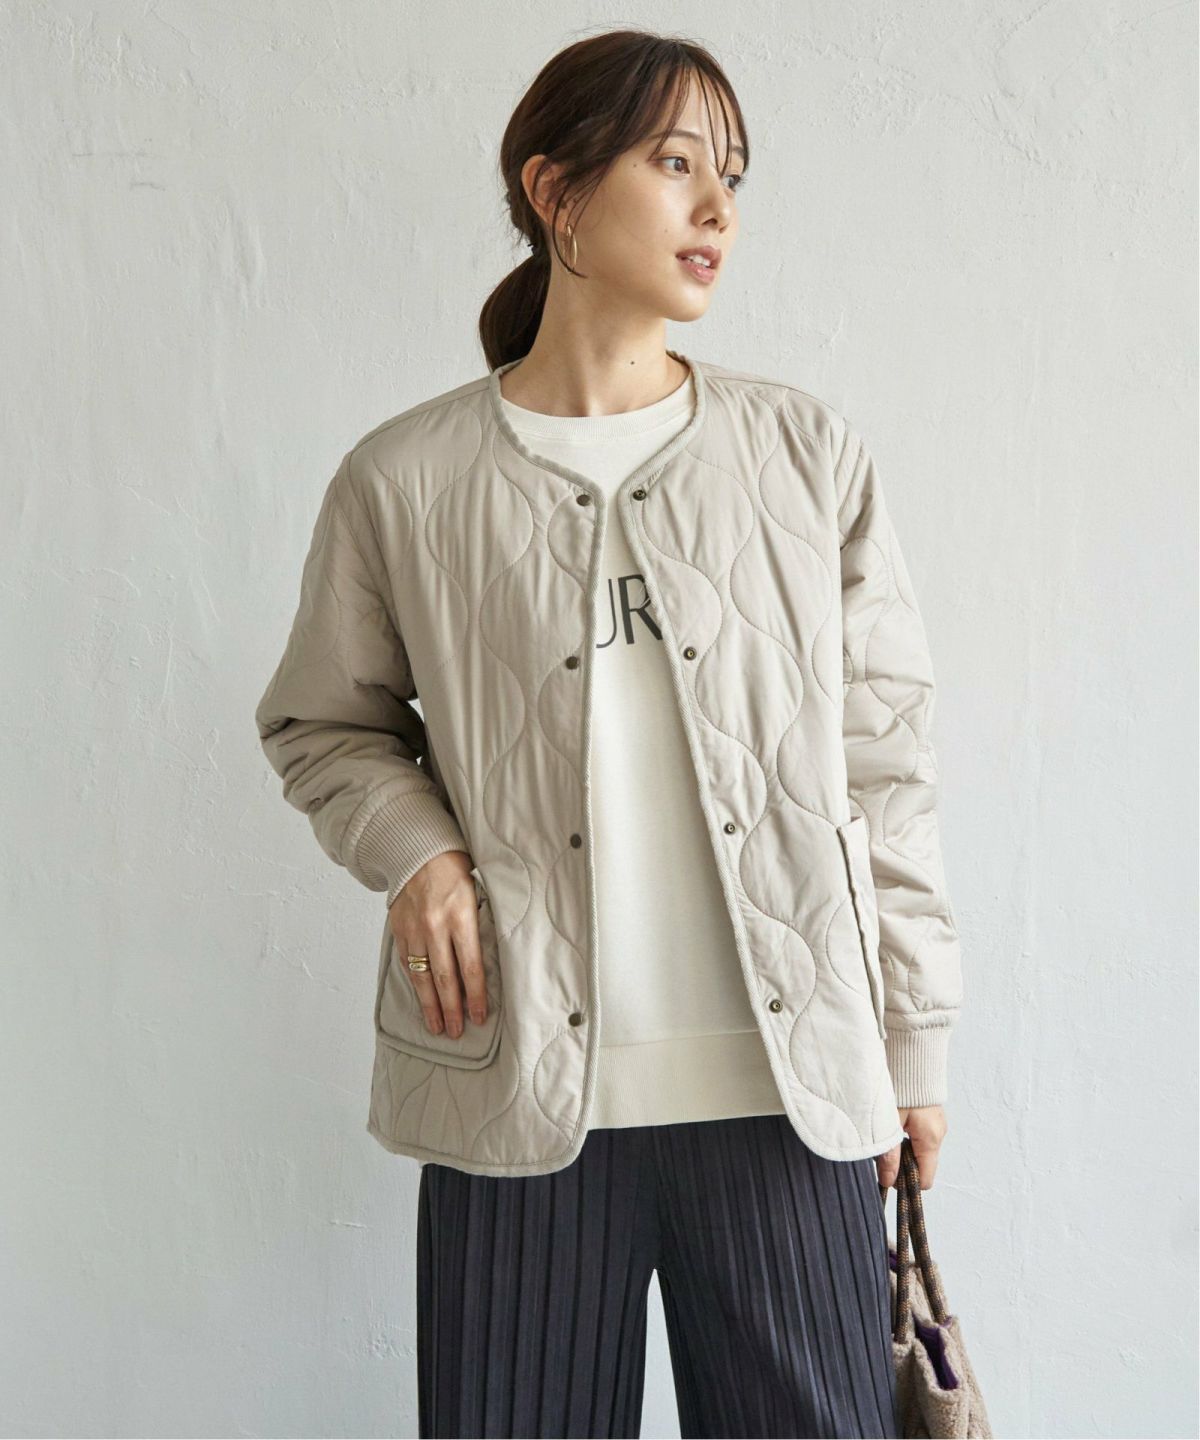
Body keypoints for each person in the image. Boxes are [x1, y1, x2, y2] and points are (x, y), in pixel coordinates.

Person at [254, 27, 965, 1440]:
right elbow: (323, 724)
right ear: (557, 193)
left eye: (733, 176)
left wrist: (916, 1046)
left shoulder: (804, 457)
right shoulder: (405, 481)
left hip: (790, 1097)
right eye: (676, 163)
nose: (719, 210)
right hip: (517, 1100)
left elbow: (888, 764)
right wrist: (420, 855)